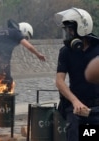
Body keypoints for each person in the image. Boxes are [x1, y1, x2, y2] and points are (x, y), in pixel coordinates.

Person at [0, 19, 46, 126]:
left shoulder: (0, 31)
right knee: (8, 84)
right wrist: (38, 54)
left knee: (2, 86)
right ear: (24, 31)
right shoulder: (16, 33)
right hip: (2, 62)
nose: (24, 39)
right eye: (25, 37)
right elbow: (29, 46)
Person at [54, 7, 99, 141]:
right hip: (75, 107)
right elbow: (59, 81)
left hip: (97, 105)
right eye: (66, 30)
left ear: (82, 28)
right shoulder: (65, 52)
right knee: (74, 132)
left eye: (70, 30)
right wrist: (75, 102)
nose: (68, 33)